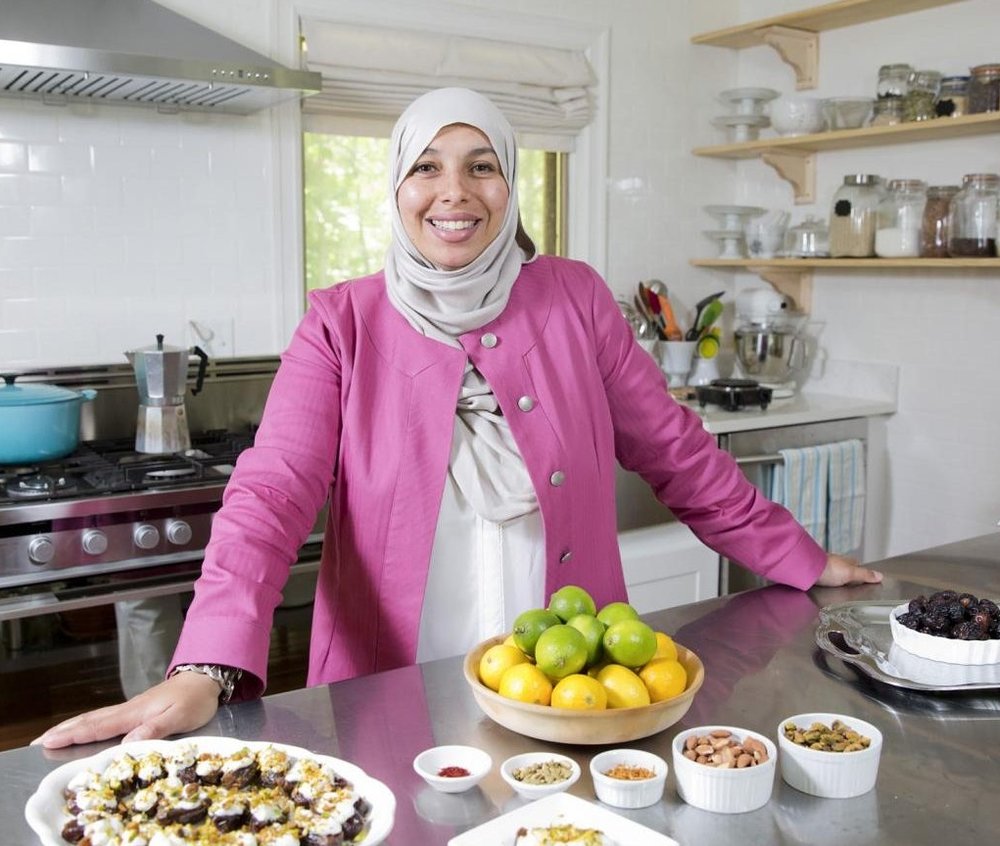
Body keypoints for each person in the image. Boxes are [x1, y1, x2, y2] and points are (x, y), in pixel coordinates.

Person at [36, 87, 880, 750]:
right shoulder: (342, 321)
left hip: (570, 675)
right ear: (397, 185)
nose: (455, 193)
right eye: (427, 167)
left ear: (510, 184)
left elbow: (676, 450)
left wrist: (797, 556)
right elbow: (272, 490)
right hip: (391, 678)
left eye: (482, 166)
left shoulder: (576, 298)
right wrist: (207, 664)